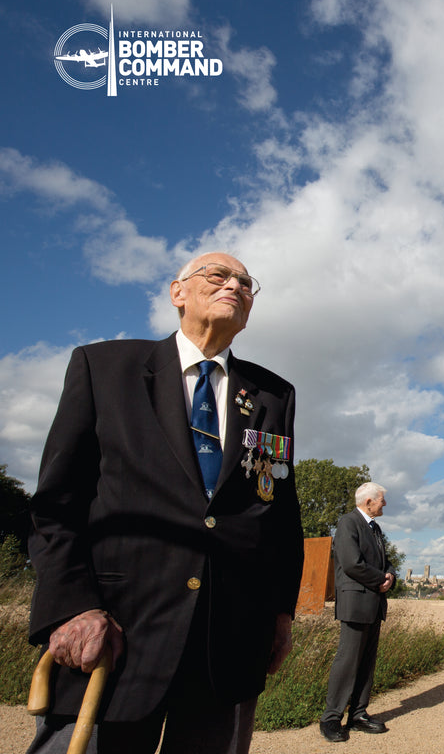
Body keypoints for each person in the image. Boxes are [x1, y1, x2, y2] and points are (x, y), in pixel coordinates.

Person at [27, 253, 303, 754]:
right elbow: (57, 504)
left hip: (230, 643)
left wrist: (282, 614)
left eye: (246, 282)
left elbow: (280, 515)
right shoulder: (105, 368)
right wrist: (71, 608)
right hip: (115, 635)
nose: (235, 285)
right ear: (178, 292)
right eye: (218, 275)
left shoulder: (272, 394)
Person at [320, 482, 395, 742]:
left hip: (374, 603)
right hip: (355, 603)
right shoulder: (348, 523)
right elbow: (352, 563)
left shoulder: (375, 528)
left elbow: (387, 563)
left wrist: (390, 576)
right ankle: (331, 718)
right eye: (382, 500)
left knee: (366, 662)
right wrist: (380, 578)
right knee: (348, 661)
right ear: (368, 501)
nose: (384, 504)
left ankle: (359, 714)